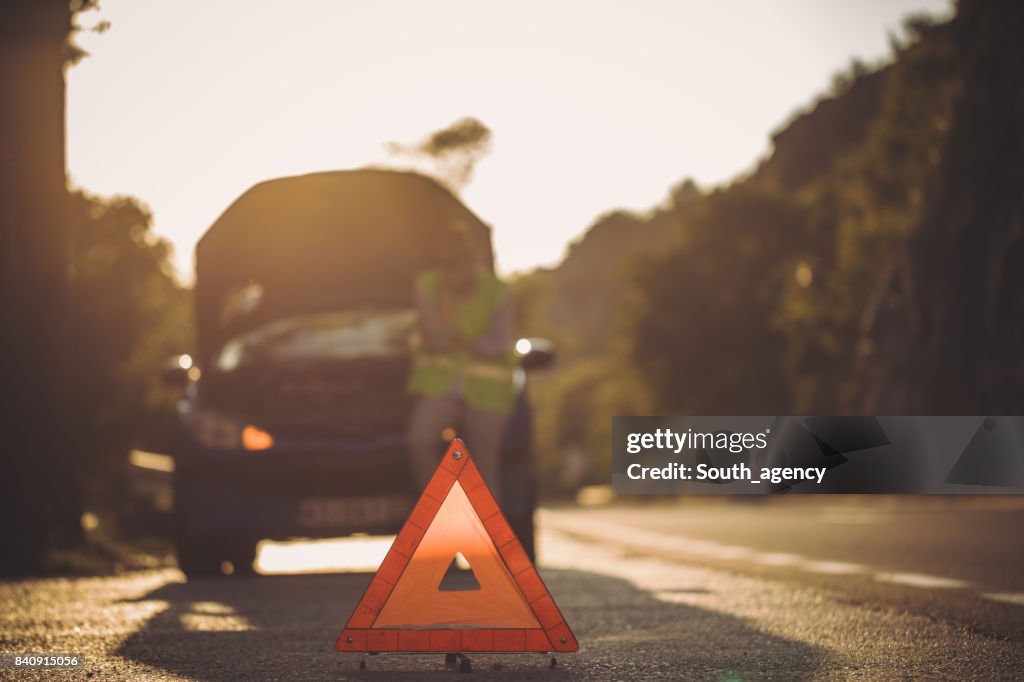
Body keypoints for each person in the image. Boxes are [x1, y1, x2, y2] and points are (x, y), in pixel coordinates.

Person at [406, 221, 516, 498]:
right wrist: (447, 303)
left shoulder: (496, 291)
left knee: (484, 462)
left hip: (487, 392)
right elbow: (434, 336)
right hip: (441, 386)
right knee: (419, 440)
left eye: (462, 262)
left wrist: (462, 342)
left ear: (473, 261)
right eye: (449, 264)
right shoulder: (429, 286)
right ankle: (441, 503)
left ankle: (490, 532)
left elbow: (499, 342)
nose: (456, 270)